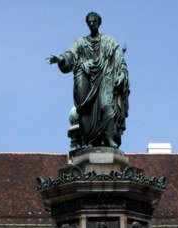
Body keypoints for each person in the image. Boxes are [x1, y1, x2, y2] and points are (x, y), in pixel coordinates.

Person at [48, 11, 130, 149]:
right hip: (85, 75)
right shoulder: (80, 42)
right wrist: (61, 59)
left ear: (99, 22)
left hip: (105, 77)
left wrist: (122, 74)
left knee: (106, 105)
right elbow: (71, 55)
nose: (92, 23)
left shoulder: (110, 42)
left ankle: (109, 138)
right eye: (89, 22)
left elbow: (120, 61)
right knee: (84, 109)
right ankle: (88, 141)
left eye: (94, 21)